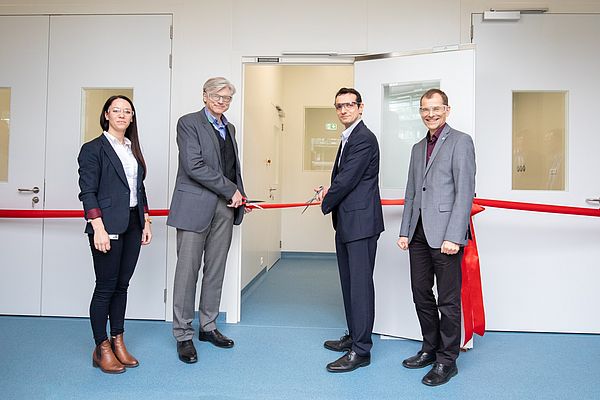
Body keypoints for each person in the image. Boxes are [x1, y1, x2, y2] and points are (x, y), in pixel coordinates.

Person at [397, 88, 476, 386]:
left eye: (436, 109)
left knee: (448, 300)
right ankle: (429, 348)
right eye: (424, 109)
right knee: (420, 294)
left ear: (447, 109)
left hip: (446, 235)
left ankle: (447, 359)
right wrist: (405, 230)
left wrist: (455, 235)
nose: (430, 114)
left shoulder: (461, 142)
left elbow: (464, 191)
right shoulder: (417, 148)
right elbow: (411, 193)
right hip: (418, 234)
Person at [167, 77, 248, 364]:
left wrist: (241, 197)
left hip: (224, 208)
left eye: (227, 98)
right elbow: (194, 166)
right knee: (187, 273)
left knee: (215, 270)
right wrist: (231, 190)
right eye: (217, 96)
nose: (222, 102)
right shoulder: (188, 123)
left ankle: (208, 326)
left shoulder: (230, 127)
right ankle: (183, 334)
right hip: (193, 206)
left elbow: (231, 168)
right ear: (204, 96)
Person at [77, 95, 152, 374]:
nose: (122, 115)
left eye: (127, 111)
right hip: (107, 226)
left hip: (133, 224)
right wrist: (98, 227)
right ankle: (102, 347)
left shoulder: (132, 149)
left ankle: (118, 340)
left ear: (132, 118)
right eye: (116, 110)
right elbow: (88, 191)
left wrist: (146, 220)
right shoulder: (93, 149)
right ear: (106, 115)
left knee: (122, 286)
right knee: (105, 287)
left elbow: (138, 189)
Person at [317, 87, 384, 373]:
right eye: (339, 106)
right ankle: (354, 336)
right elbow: (343, 180)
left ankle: (362, 350)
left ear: (360, 107)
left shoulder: (363, 138)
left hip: (361, 224)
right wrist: (329, 190)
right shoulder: (349, 137)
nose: (343, 110)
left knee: (360, 287)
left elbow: (347, 181)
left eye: (348, 105)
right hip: (347, 222)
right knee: (348, 285)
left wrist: (325, 200)